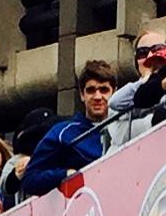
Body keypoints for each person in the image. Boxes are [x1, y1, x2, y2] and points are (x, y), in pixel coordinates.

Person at [20, 61, 118, 197]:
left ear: (115, 92)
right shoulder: (62, 133)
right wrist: (65, 174)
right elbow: (30, 179)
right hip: (85, 205)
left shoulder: (127, 123)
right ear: (82, 95)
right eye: (90, 90)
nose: (97, 97)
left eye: (104, 90)